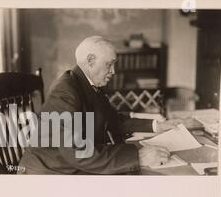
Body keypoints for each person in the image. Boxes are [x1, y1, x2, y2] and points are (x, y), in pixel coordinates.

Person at [18, 36, 181, 175]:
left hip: (71, 165)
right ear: (90, 61)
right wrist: (137, 156)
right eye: (109, 64)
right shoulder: (65, 92)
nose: (114, 71)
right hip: (49, 173)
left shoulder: (85, 82)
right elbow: (78, 152)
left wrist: (157, 126)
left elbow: (113, 120)